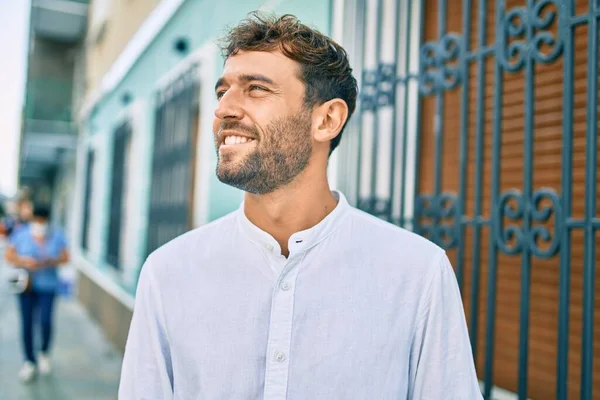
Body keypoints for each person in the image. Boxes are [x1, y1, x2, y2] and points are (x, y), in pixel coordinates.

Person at [119, 12, 482, 399]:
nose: (224, 109)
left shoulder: (417, 274)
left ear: (327, 120)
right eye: (222, 91)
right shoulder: (168, 273)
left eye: (256, 88)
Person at [4, 205, 69, 382]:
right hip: (26, 286)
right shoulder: (22, 234)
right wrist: (24, 260)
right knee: (27, 323)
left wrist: (50, 261)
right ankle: (29, 361)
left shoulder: (56, 235)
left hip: (48, 286)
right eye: (37, 220)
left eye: (43, 221)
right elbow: (8, 256)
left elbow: (65, 257)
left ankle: (44, 352)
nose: (40, 224)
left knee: (46, 321)